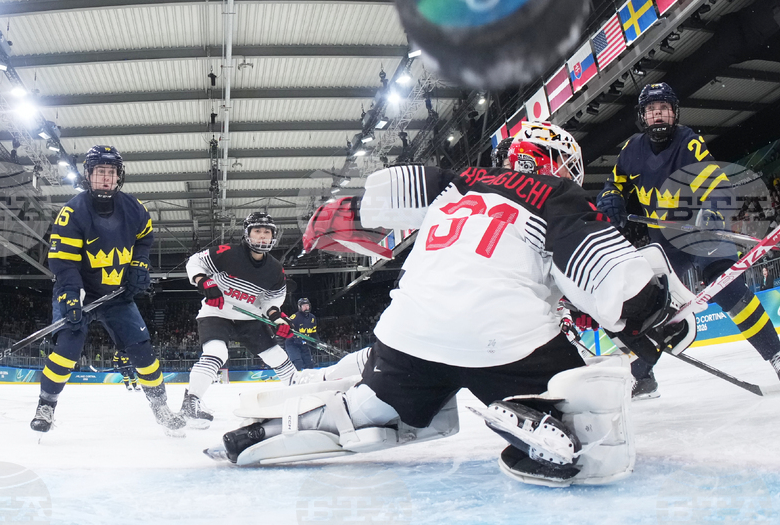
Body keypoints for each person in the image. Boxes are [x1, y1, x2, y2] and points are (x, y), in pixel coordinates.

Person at [211, 122, 697, 488]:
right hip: (500, 342)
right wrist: (653, 317)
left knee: (362, 411)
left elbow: (381, 195)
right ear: (554, 163)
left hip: (407, 335)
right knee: (592, 398)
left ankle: (256, 436)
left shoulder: (454, 180)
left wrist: (343, 214)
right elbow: (606, 273)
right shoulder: (556, 195)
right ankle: (536, 413)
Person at [597, 83, 780, 397]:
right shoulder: (631, 150)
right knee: (645, 303)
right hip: (661, 241)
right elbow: (614, 184)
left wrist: (711, 210)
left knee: (727, 285)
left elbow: (715, 182)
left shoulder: (687, 142)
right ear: (643, 116)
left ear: (674, 112)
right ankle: (643, 375)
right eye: (652, 110)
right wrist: (610, 199)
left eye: (663, 108)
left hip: (698, 231)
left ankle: (776, 354)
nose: (658, 115)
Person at [31, 145, 184, 435]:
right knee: (67, 348)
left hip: (117, 295)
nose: (105, 178)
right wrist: (71, 297)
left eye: (110, 172)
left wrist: (139, 264)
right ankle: (46, 405)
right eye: (100, 172)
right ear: (88, 175)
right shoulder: (73, 212)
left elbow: (145, 238)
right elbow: (63, 262)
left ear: (118, 176)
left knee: (143, 352)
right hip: (80, 292)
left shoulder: (134, 208)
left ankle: (161, 407)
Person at [181, 211, 296, 428]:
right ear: (247, 234)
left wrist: (277, 319)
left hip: (248, 318)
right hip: (216, 313)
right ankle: (191, 402)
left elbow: (271, 301)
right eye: (257, 231)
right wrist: (203, 281)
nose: (262, 236)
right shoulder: (227, 253)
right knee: (216, 353)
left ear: (273, 236)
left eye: (267, 232)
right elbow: (195, 262)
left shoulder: (275, 270)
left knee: (277, 356)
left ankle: (300, 393)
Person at [285, 298, 318, 370]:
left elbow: (314, 333)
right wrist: (295, 337)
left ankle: (308, 380)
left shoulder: (312, 318)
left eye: (307, 305)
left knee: (309, 364)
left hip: (304, 344)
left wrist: (317, 342)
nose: (306, 307)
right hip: (292, 344)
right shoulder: (295, 317)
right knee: (298, 362)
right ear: (300, 307)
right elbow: (289, 330)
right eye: (304, 306)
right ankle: (294, 379)